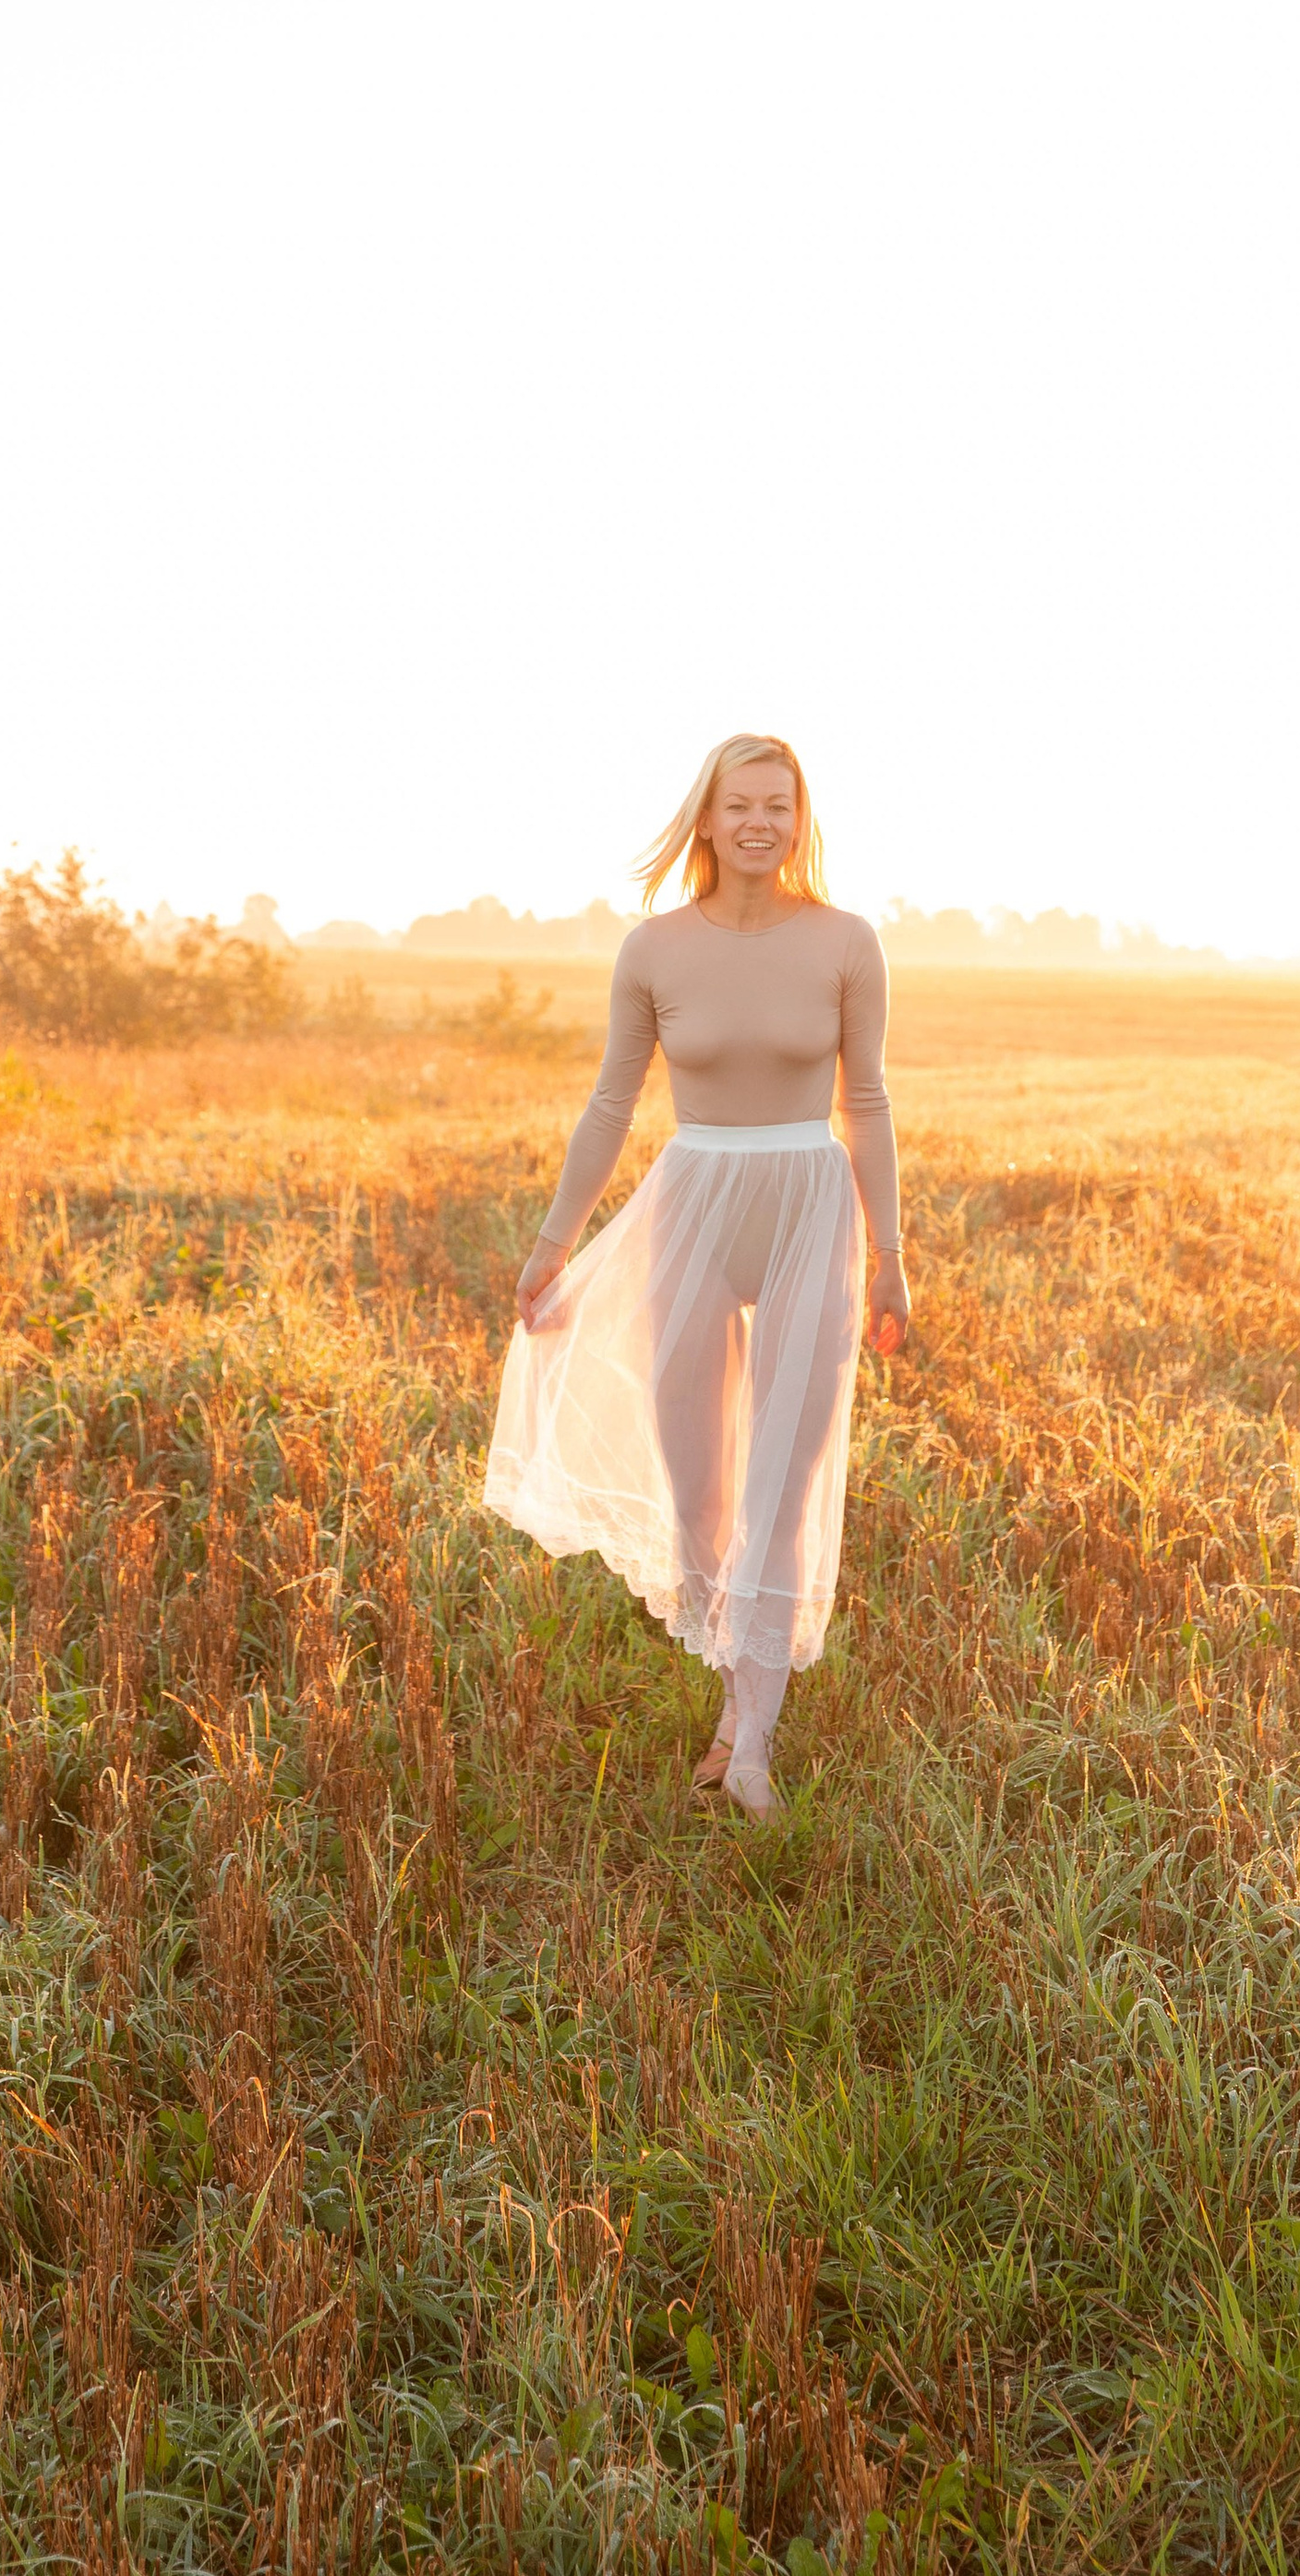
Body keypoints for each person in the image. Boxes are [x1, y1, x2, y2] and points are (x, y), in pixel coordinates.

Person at [483, 735, 909, 1819]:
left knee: (781, 1489)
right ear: (708, 820)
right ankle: (734, 1700)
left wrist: (891, 1260)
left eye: (780, 803)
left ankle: (752, 1747)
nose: (761, 821)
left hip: (810, 1209)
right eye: (740, 804)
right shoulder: (655, 950)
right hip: (690, 1211)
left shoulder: (847, 942)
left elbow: (866, 1105)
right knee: (701, 1495)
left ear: (798, 819)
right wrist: (548, 1246)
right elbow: (609, 1109)